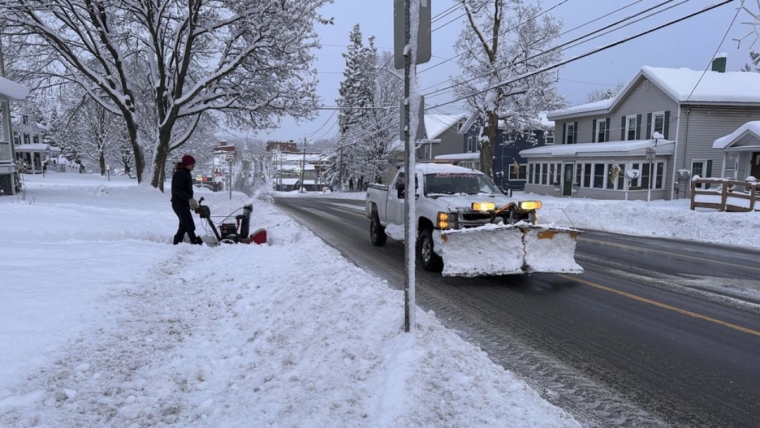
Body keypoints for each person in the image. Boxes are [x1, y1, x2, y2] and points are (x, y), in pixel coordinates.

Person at [171, 154, 202, 245]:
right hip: (179, 203)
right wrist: (189, 199)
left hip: (183, 203)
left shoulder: (186, 173)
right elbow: (178, 190)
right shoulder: (180, 174)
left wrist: (190, 200)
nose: (193, 166)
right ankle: (194, 241)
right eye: (192, 164)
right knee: (188, 224)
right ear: (187, 164)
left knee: (184, 224)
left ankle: (177, 242)